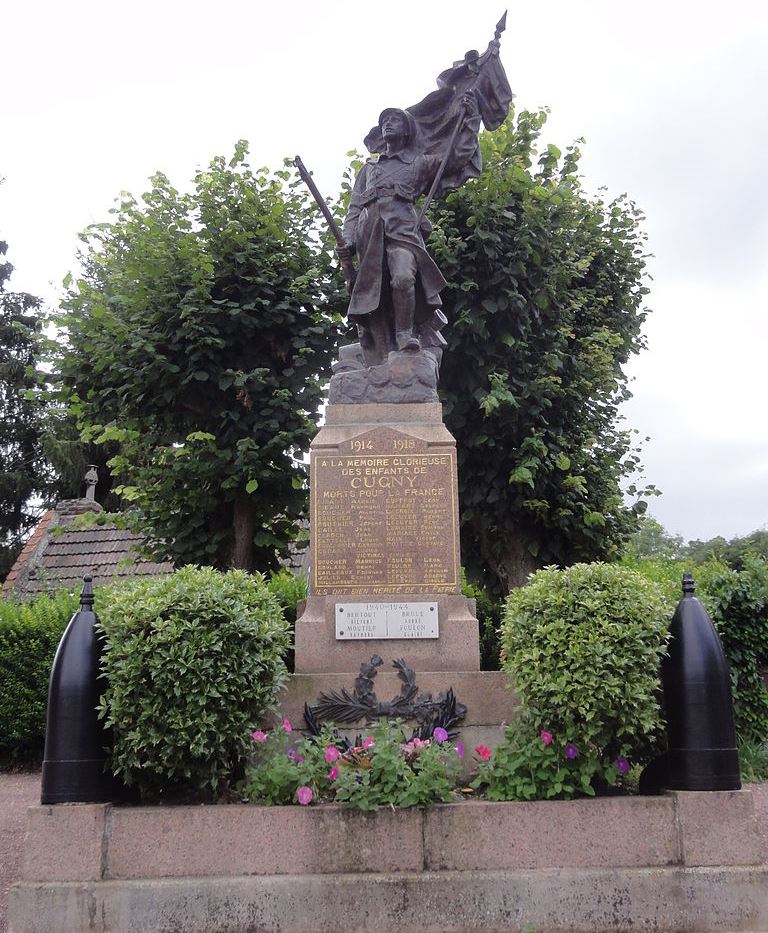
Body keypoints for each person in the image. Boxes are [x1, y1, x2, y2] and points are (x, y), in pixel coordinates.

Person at [337, 94, 481, 366]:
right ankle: (381, 352)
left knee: (403, 278)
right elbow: (354, 208)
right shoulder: (369, 169)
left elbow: (457, 157)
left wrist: (471, 119)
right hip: (369, 236)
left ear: (406, 130)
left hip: (403, 231)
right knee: (373, 296)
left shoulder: (419, 163)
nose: (388, 124)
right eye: (384, 121)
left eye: (394, 120)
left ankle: (405, 334)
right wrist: (348, 240)